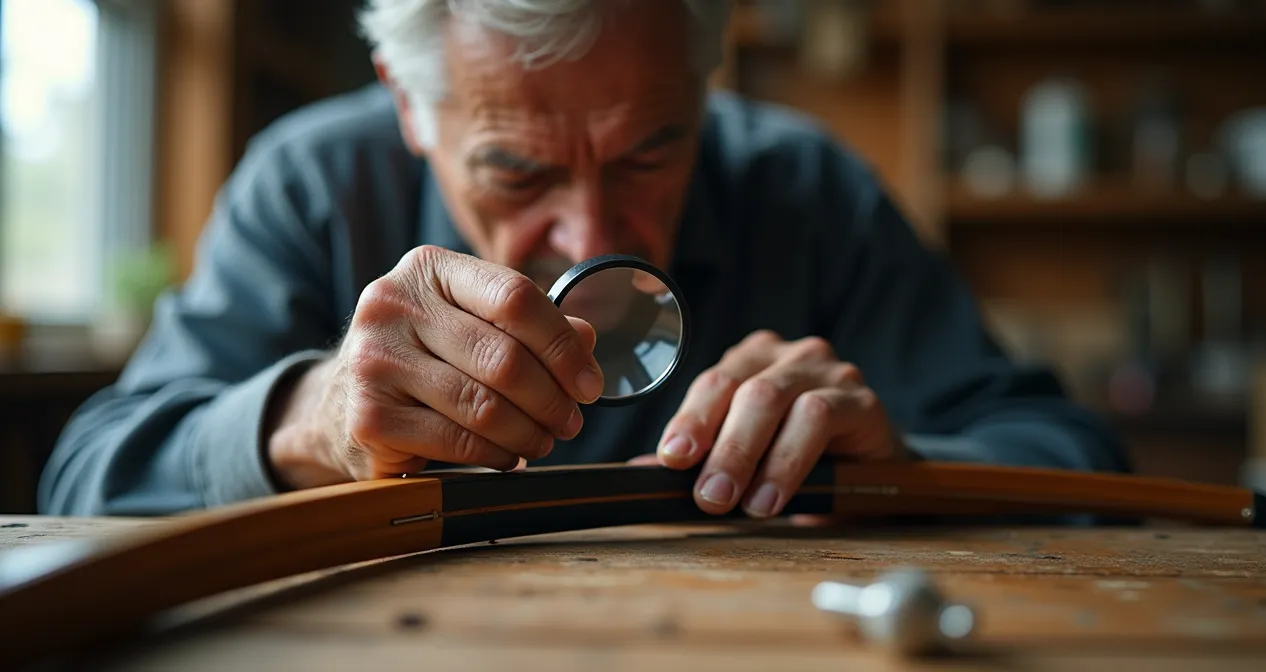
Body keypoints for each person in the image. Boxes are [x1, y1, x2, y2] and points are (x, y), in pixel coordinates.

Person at [38, 0, 1129, 518]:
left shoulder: (808, 191)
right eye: (517, 172)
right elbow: (85, 480)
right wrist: (311, 420)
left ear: (707, 81)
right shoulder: (312, 185)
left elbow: (1077, 461)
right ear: (409, 105)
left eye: (650, 153)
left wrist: (898, 463)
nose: (594, 238)